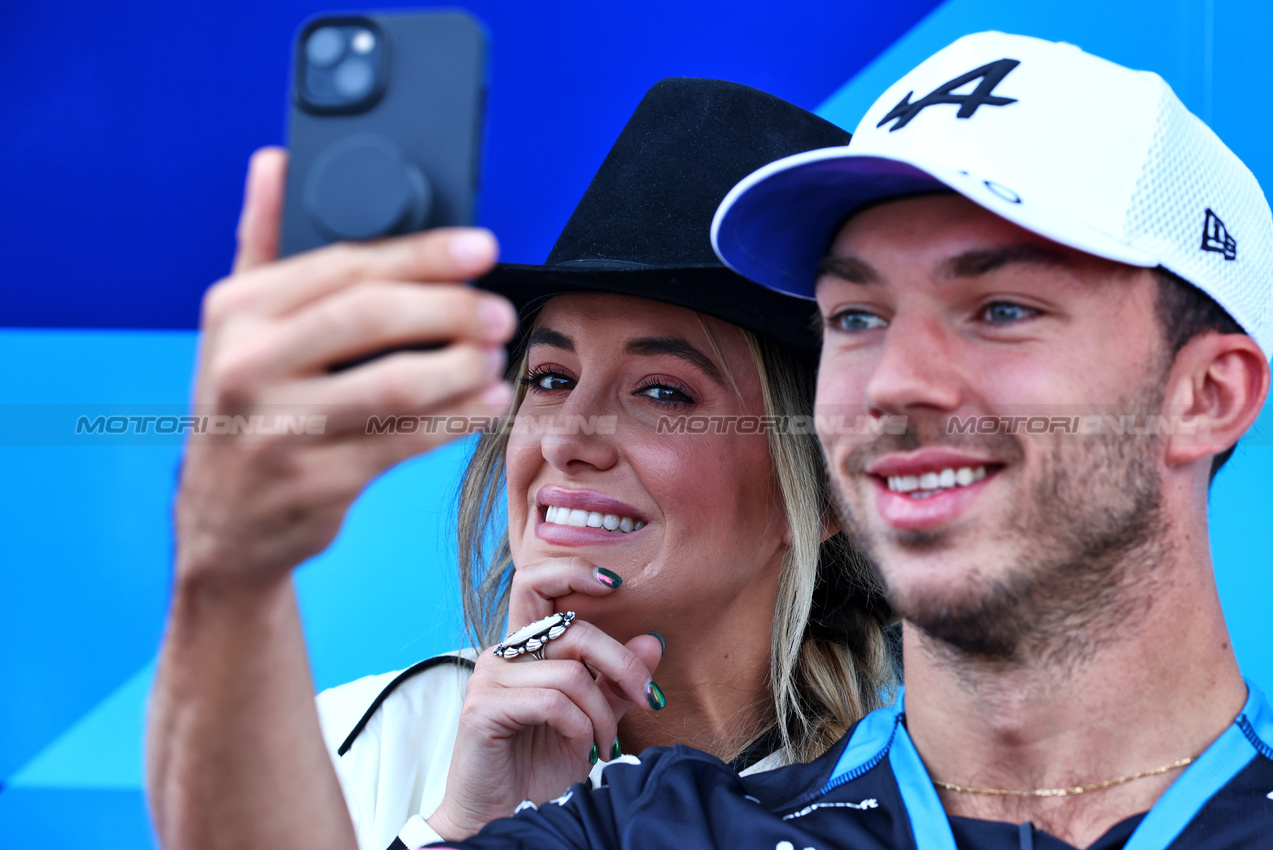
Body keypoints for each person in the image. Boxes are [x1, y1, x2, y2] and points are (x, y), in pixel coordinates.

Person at [434, 32, 1273, 849]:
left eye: (1001, 310)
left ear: (1204, 395)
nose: (891, 382)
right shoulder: (635, 826)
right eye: (856, 317)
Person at [145, 79, 896, 850]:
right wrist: (464, 831)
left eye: (663, 392)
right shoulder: (358, 748)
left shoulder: (919, 798)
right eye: (549, 379)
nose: (567, 436)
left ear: (830, 488)